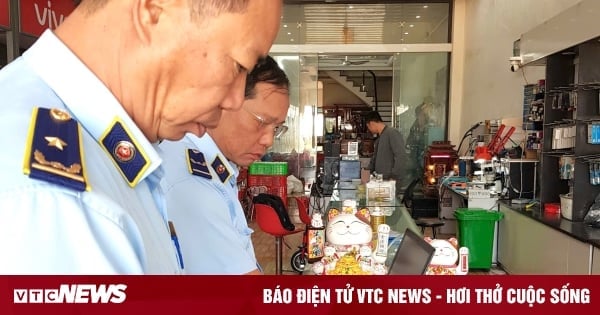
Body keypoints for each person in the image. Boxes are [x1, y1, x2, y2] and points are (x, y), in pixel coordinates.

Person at [0, 0, 282, 274]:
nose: (234, 100)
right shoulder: (57, 201)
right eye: (238, 66)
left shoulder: (105, 151)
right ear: (154, 10)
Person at [160, 56, 290, 274]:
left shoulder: (216, 168)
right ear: (226, 102)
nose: (269, 139)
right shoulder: (192, 182)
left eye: (276, 128)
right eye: (262, 122)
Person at [365, 111, 409, 194]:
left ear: (371, 123)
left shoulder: (392, 133)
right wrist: (365, 175)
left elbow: (401, 156)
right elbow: (374, 160)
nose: (369, 130)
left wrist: (394, 176)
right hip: (382, 181)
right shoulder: (379, 138)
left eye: (368, 127)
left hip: (391, 181)